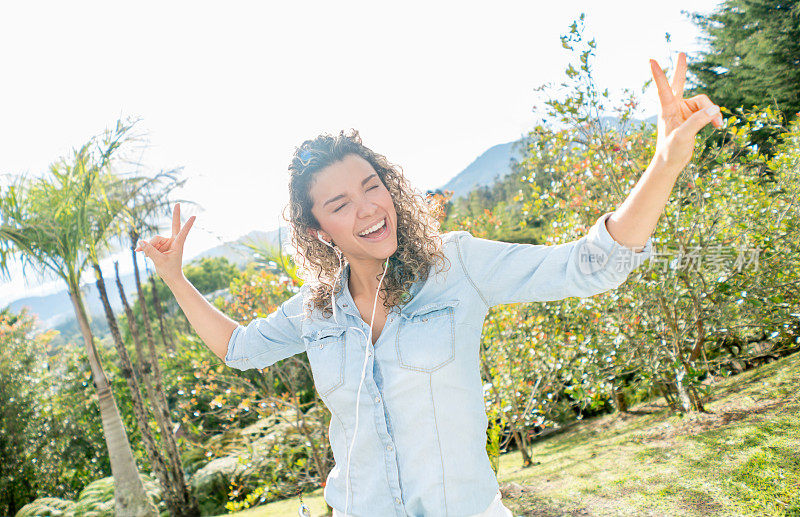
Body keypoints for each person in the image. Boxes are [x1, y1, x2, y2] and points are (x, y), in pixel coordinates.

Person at [135, 53, 723, 517]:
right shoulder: (315, 312)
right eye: (341, 203)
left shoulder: (458, 266)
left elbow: (592, 265)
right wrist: (175, 277)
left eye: (372, 185)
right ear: (318, 229)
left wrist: (664, 162)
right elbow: (240, 349)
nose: (369, 209)